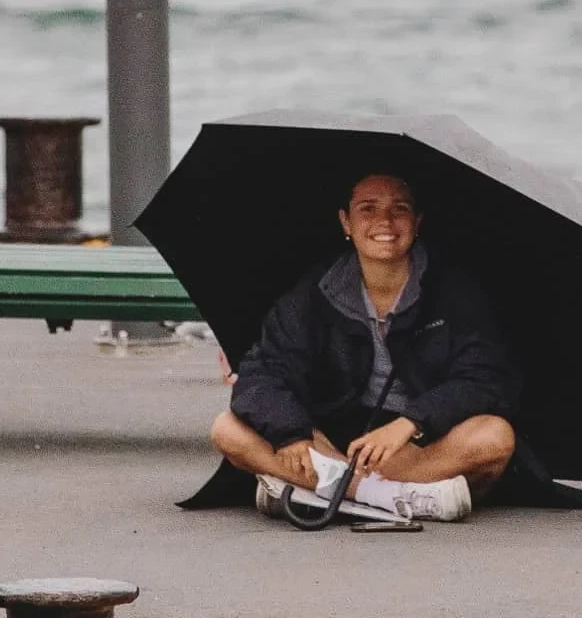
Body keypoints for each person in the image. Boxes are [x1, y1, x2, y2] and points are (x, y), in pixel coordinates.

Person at [209, 171, 518, 522]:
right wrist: (290, 433)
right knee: (227, 428)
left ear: (417, 223)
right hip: (334, 444)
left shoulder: (453, 290)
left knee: (495, 436)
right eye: (367, 209)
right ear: (346, 222)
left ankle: (318, 491)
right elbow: (262, 373)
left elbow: (484, 378)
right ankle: (385, 498)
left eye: (399, 209)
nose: (384, 221)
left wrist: (411, 422)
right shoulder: (315, 292)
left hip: (413, 447)